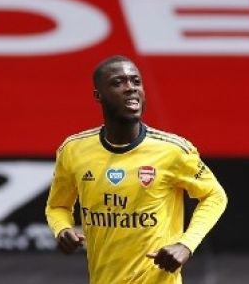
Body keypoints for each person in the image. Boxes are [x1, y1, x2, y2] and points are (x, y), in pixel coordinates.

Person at [45, 55, 227, 283]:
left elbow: (215, 196)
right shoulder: (74, 150)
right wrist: (62, 229)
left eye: (136, 81)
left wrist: (185, 245)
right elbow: (57, 206)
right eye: (118, 82)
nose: (130, 88)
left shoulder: (173, 150)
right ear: (98, 95)